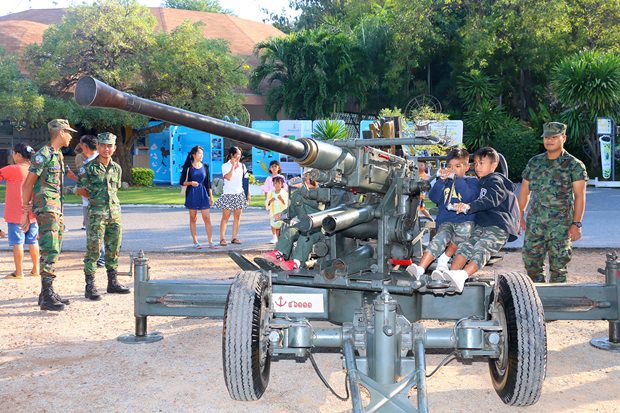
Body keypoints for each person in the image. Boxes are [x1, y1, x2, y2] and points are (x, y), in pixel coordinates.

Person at [435, 147, 519, 292]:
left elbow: (491, 199)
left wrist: (469, 206)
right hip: (482, 224)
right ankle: (450, 276)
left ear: (493, 165)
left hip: (498, 225)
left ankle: (461, 276)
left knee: (482, 248)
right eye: (476, 163)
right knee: (465, 247)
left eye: (482, 163)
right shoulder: (479, 182)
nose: (478, 166)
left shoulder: (495, 180)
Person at [518, 122, 588, 283]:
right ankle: (535, 301)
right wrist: (520, 213)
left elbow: (580, 196)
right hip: (535, 224)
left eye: (554, 137)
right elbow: (524, 191)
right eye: (546, 137)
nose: (549, 140)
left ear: (563, 138)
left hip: (561, 226)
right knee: (531, 263)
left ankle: (558, 302)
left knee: (559, 267)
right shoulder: (534, 163)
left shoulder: (574, 165)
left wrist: (576, 224)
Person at [21, 119, 77, 311]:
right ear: (61, 132)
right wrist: (25, 212)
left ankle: (47, 292)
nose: (71, 136)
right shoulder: (43, 154)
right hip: (46, 207)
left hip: (55, 207)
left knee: (54, 247)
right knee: (50, 248)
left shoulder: (58, 155)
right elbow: (27, 184)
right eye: (68, 132)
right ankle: (46, 296)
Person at [406, 148, 479, 278]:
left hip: (465, 221)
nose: (453, 169)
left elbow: (468, 196)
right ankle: (420, 269)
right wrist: (441, 181)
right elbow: (433, 197)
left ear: (467, 167)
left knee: (464, 232)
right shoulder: (445, 183)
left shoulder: (472, 181)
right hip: (446, 220)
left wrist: (456, 178)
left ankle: (443, 260)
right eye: (450, 166)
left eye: (458, 166)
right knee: (439, 239)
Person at [76, 132, 129, 301]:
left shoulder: (116, 168)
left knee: (114, 248)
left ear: (114, 147)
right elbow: (80, 190)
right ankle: (90, 286)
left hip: (114, 214)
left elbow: (115, 190)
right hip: (96, 214)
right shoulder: (88, 168)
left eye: (110, 146)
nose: (106, 149)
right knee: (94, 250)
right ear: (98, 146)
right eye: (103, 145)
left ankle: (112, 282)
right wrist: (96, 200)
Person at [262, 168, 323, 271]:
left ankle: (297, 262)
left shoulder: (321, 193)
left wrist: (303, 189)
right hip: (303, 225)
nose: (307, 180)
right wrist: (282, 215)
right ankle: (279, 254)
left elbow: (317, 206)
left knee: (305, 236)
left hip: (317, 228)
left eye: (309, 177)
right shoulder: (298, 194)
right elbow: (292, 210)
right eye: (306, 177)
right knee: (289, 231)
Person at [1, 143, 40, 279]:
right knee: (33, 241)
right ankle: (36, 269)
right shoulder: (34, 169)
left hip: (16, 214)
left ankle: (19, 272)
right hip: (32, 213)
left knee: (18, 242)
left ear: (18, 155)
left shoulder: (12, 169)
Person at [75, 134, 105, 267]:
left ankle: (100, 258)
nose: (80, 147)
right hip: (98, 202)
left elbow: (84, 187)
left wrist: (76, 190)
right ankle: (101, 257)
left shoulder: (89, 165)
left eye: (81, 144)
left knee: (94, 232)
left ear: (86, 147)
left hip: (91, 204)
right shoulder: (101, 161)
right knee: (98, 231)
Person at [180, 145, 217, 249]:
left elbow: (208, 183)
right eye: (199, 153)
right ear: (194, 155)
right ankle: (196, 241)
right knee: (193, 218)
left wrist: (211, 197)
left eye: (202, 153)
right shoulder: (188, 167)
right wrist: (191, 183)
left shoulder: (205, 166)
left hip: (203, 194)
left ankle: (210, 242)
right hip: (192, 194)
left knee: (207, 218)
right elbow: (181, 181)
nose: (201, 155)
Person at [213, 146, 250, 246]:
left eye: (239, 154)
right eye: (237, 154)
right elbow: (228, 177)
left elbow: (245, 181)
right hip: (228, 194)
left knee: (237, 217)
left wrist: (248, 195)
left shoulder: (242, 166)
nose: (238, 156)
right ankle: (222, 239)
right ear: (231, 155)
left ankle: (234, 237)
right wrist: (233, 166)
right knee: (225, 217)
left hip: (239, 193)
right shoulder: (225, 166)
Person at [265, 175, 289, 243]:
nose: (277, 185)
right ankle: (274, 236)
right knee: (273, 224)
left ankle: (280, 238)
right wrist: (270, 201)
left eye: (279, 183)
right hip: (273, 211)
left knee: (280, 225)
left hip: (281, 211)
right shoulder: (271, 193)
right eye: (275, 183)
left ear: (282, 184)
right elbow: (267, 202)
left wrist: (281, 199)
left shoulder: (284, 193)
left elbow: (286, 203)